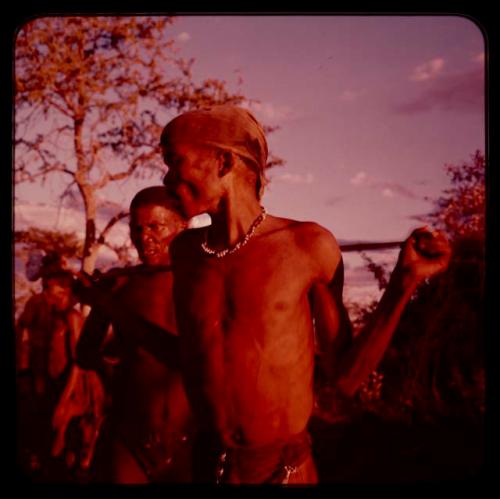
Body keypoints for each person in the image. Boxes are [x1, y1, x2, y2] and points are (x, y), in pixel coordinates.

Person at [160, 105, 452, 484]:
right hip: (207, 468)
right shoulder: (185, 254)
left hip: (283, 474)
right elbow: (190, 358)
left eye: (173, 161)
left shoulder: (305, 246)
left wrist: (403, 283)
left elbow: (345, 377)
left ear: (223, 162)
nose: (166, 179)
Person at [74, 186, 194, 483]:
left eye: (156, 226)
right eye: (136, 229)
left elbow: (185, 356)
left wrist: (109, 307)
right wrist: (96, 304)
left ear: (183, 225)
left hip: (191, 439)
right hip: (129, 435)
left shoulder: (202, 283)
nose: (144, 237)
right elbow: (85, 355)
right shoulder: (122, 285)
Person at [16, 260, 83, 480]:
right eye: (51, 285)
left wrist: (65, 400)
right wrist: (24, 373)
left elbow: (78, 362)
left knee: (59, 439)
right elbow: (25, 339)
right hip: (41, 381)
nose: (54, 292)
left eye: (62, 287)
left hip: (65, 388)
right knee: (37, 429)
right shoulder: (38, 305)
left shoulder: (72, 317)